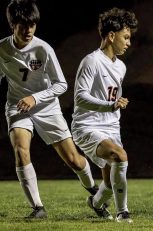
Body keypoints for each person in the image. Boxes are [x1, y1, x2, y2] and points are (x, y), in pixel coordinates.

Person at [0, 0, 98, 219]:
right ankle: (38, 207)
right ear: (12, 25)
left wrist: (35, 98)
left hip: (47, 107)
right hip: (17, 106)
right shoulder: (2, 49)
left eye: (32, 25)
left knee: (73, 159)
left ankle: (94, 190)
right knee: (20, 149)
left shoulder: (43, 49)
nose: (29, 30)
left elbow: (61, 84)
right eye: (23, 25)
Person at [71, 7, 138, 223]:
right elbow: (80, 97)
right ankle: (123, 212)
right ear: (111, 36)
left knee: (110, 183)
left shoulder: (121, 67)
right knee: (121, 156)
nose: (128, 43)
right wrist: (110, 105)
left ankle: (95, 203)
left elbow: (112, 97)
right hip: (87, 125)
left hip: (111, 127)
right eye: (125, 37)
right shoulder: (91, 61)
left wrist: (116, 106)